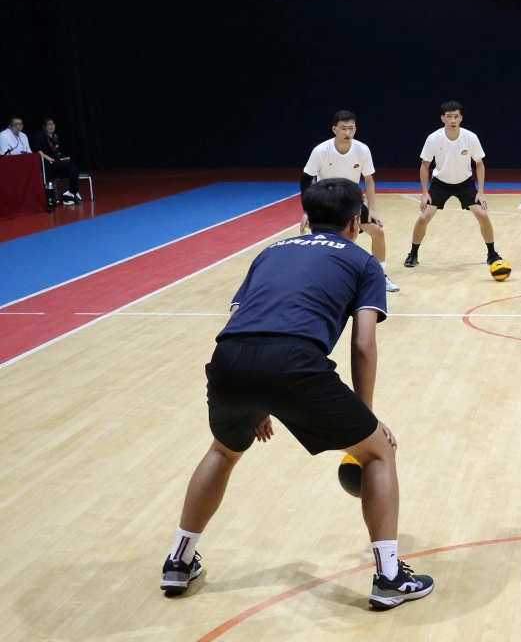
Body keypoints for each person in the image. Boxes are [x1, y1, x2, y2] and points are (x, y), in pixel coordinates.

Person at [159, 178, 432, 610]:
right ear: (356, 222)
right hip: (293, 362)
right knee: (378, 452)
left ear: (305, 219)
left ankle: (178, 560)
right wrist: (367, 416)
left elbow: (239, 316)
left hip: (229, 360)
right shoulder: (364, 263)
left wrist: (259, 401)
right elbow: (363, 343)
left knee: (223, 451)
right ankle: (390, 576)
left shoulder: (269, 252)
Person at [300, 110, 398, 292]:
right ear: (334, 129)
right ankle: (315, 277)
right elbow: (306, 180)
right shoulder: (321, 151)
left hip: (351, 200)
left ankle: (380, 276)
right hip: (326, 201)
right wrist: (307, 211)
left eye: (351, 129)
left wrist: (372, 209)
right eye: (343, 128)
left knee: (378, 232)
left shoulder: (362, 150)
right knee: (323, 241)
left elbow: (369, 180)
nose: (347, 133)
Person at [404, 101, 504, 268]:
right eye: (449, 117)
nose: (452, 120)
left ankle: (492, 253)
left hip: (465, 184)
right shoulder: (434, 138)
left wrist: (480, 191)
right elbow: (425, 165)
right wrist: (424, 192)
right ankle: (413, 254)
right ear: (442, 118)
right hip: (440, 184)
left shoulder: (470, 138)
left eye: (455, 116)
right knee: (423, 218)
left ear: (461, 118)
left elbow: (479, 163)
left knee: (483, 216)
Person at [32, 118, 83, 205]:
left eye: (53, 124)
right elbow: (38, 151)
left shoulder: (55, 137)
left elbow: (58, 151)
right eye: (49, 124)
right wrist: (46, 157)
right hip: (48, 164)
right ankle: (71, 194)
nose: (51, 126)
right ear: (44, 126)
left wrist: (63, 157)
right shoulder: (40, 137)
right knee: (71, 168)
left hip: (57, 162)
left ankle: (71, 192)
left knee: (73, 168)